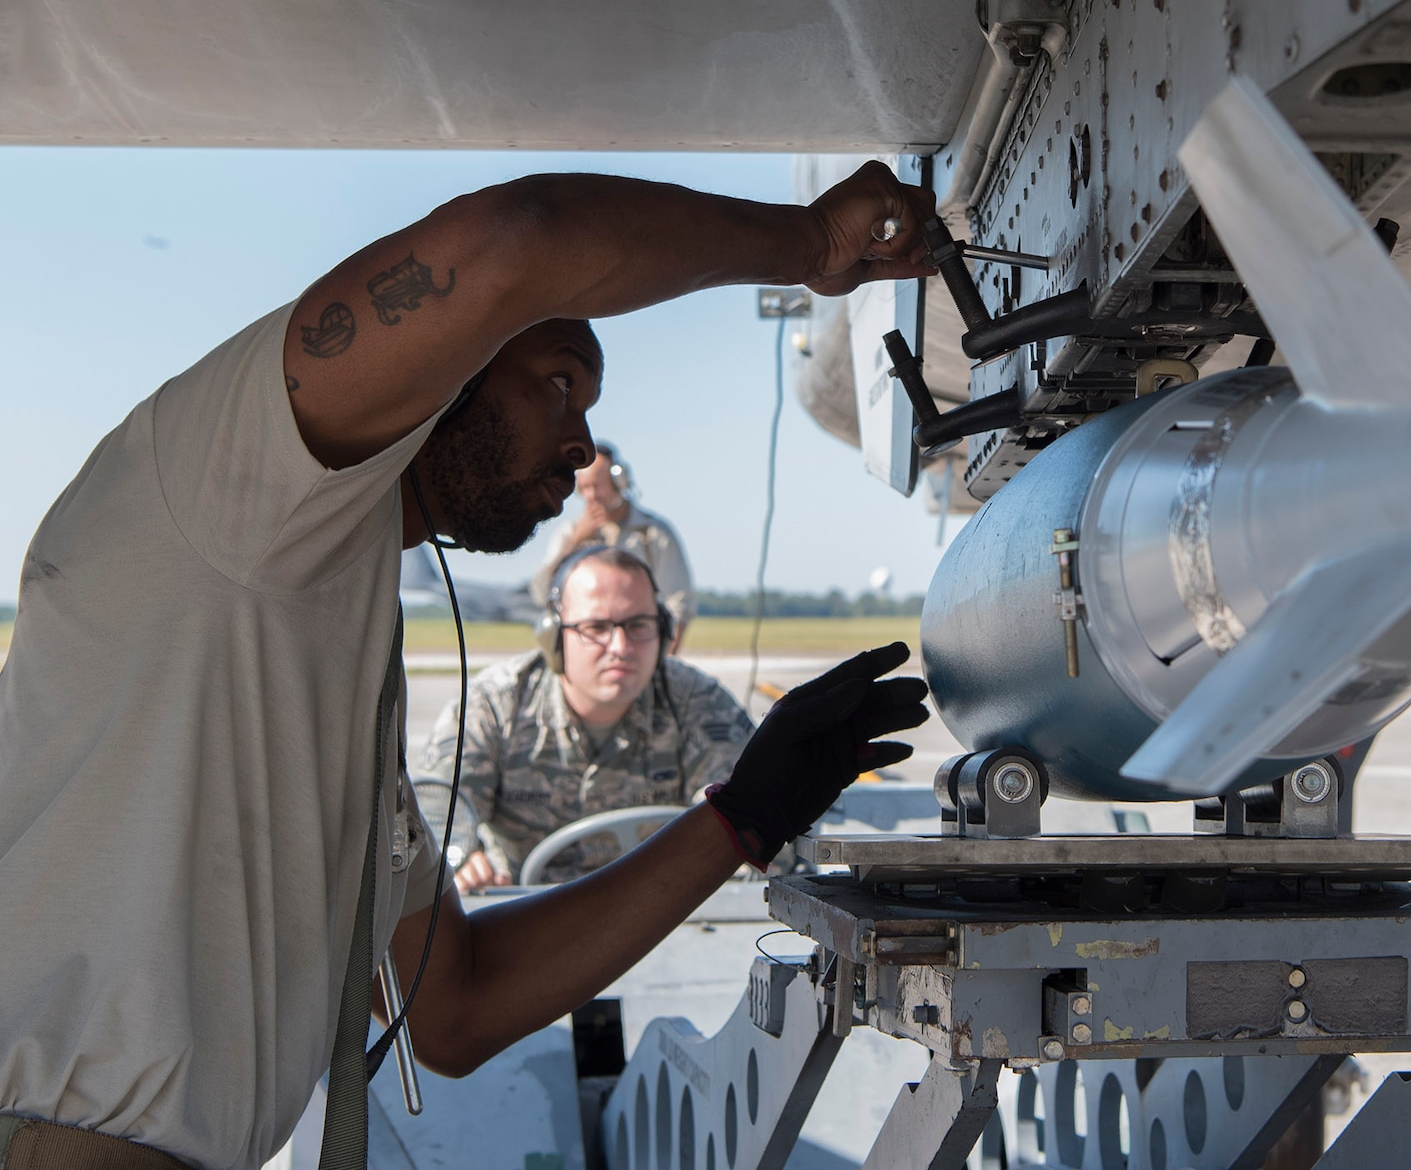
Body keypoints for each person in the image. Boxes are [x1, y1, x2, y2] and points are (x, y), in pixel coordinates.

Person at [0, 163, 935, 1170]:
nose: (583, 447)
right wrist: (811, 243)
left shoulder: (312, 639)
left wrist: (741, 816)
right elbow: (518, 237)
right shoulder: (231, 485)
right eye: (561, 383)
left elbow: (455, 1005)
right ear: (443, 369)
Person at [419, 545, 750, 893]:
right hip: (519, 916)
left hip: (664, 920)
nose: (620, 647)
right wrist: (458, 857)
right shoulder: (494, 706)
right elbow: (437, 814)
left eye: (638, 625)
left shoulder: (697, 702)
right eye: (596, 627)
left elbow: (742, 819)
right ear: (554, 637)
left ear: (663, 632)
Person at [533, 444, 696, 651]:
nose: (590, 496)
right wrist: (574, 544)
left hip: (639, 649)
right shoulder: (569, 534)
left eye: (597, 486)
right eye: (584, 488)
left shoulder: (653, 534)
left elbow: (679, 603)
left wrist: (663, 663)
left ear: (619, 482)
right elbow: (541, 594)